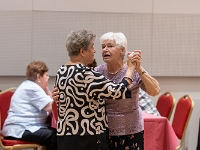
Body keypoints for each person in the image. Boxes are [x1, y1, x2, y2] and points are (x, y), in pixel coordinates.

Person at [54, 29, 137, 150]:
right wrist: (130, 69)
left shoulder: (61, 71)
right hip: (87, 139)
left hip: (65, 138)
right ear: (82, 51)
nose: (95, 50)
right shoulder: (86, 74)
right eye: (92, 47)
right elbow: (120, 90)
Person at [94, 32, 160, 150]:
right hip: (105, 130)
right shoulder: (98, 71)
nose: (105, 49)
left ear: (122, 50)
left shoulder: (132, 70)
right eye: (103, 47)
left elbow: (155, 91)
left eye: (110, 46)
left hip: (132, 130)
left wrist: (139, 68)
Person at [2, 61, 58, 150]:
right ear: (39, 77)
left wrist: (46, 88)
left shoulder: (29, 86)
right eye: (46, 75)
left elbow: (51, 104)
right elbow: (51, 107)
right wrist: (47, 89)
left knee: (55, 133)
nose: (48, 78)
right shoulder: (32, 88)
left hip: (24, 127)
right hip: (19, 128)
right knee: (52, 136)